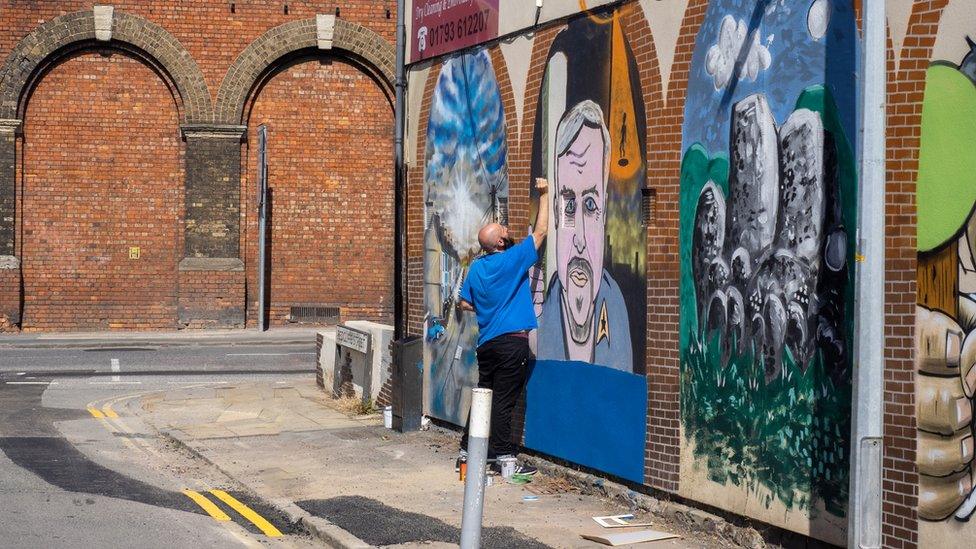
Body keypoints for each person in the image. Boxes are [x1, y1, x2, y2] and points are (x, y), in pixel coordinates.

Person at [455, 177, 550, 476]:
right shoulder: (510, 260)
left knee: (485, 394)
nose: (508, 231)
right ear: (498, 242)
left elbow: (463, 303)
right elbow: (542, 231)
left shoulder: (476, 269)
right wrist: (544, 194)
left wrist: (488, 306)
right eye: (504, 231)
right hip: (512, 343)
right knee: (504, 401)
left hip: (488, 345)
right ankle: (504, 458)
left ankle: (467, 450)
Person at [536, 100, 633, 372]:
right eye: (568, 206)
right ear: (555, 214)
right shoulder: (540, 315)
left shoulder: (617, 311)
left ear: (604, 215)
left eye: (590, 205)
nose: (578, 239)